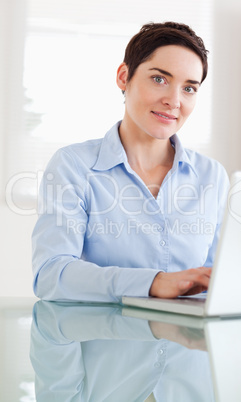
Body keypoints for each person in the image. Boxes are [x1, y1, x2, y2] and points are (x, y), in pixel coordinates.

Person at [32, 21, 229, 302]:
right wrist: (153, 283)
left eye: (189, 88)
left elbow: (219, 280)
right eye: (159, 79)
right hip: (107, 341)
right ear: (124, 77)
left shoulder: (212, 175)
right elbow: (50, 276)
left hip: (186, 343)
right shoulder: (73, 166)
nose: (174, 101)